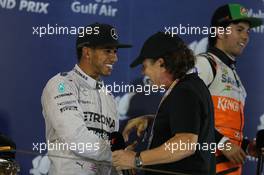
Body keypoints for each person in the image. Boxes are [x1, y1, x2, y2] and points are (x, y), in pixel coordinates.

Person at [112, 32, 216, 175]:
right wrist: (154, 121)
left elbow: (185, 144)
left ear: (161, 63)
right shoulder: (189, 86)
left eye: (144, 66)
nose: (143, 72)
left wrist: (137, 159)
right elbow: (189, 126)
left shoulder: (184, 91)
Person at [41, 22, 131, 175]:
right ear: (87, 52)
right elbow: (77, 139)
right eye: (108, 51)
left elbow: (112, 147)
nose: (114, 58)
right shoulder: (61, 84)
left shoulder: (109, 97)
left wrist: (123, 162)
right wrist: (119, 155)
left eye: (115, 52)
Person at [195, 3, 263, 175]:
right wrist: (223, 143)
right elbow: (187, 114)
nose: (246, 36)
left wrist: (246, 146)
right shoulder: (204, 63)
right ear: (219, 32)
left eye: (247, 31)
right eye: (239, 29)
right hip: (203, 166)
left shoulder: (235, 77)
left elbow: (225, 128)